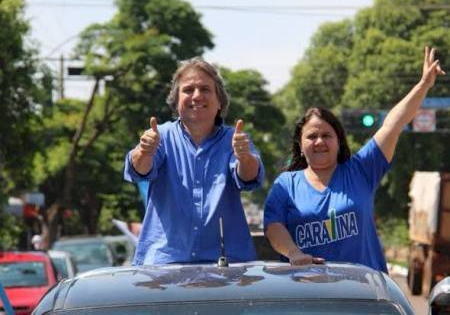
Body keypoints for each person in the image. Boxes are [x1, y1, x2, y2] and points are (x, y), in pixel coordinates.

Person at [264, 46, 445, 272]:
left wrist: (424, 84)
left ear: (339, 141)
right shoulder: (286, 184)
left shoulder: (361, 170)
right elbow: (273, 227)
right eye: (312, 136)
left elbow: (393, 124)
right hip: (307, 292)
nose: (319, 141)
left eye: (327, 135)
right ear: (301, 146)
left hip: (364, 293)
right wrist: (294, 253)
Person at [124, 57, 264, 265]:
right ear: (176, 100)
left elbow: (249, 177)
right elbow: (139, 170)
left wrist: (244, 157)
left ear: (219, 102)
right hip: (164, 264)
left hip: (226, 266)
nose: (197, 96)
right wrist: (144, 152)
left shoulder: (233, 139)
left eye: (205, 89)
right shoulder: (159, 136)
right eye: (188, 90)